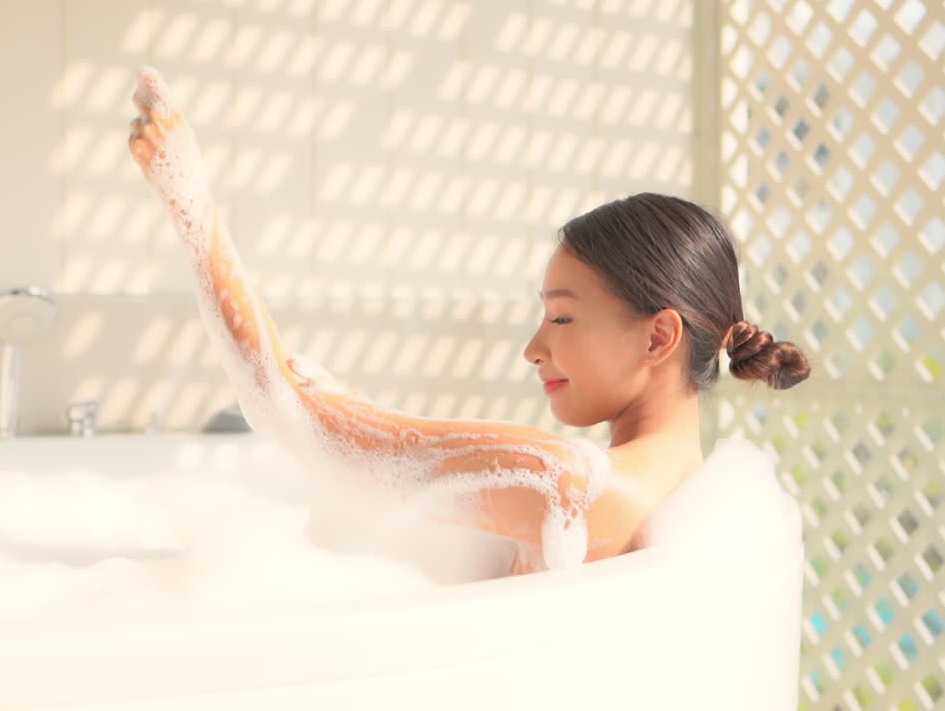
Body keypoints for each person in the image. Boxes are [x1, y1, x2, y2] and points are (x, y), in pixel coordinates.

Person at [127, 67, 810, 575]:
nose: (533, 349)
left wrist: (190, 204)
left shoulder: (572, 486)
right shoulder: (698, 502)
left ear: (659, 336)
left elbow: (292, 414)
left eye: (562, 317)